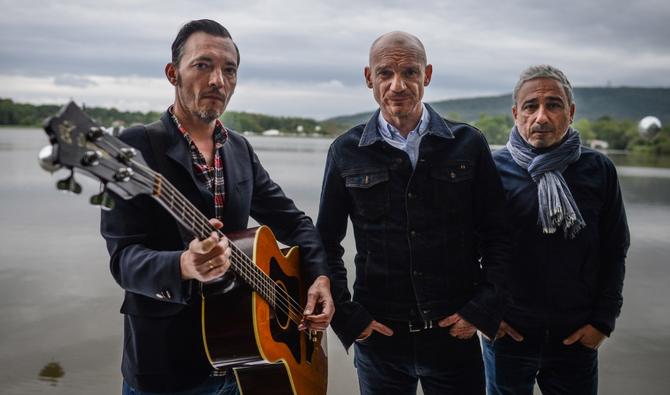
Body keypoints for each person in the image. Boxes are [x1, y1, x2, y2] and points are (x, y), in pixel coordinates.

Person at [100, 19, 334, 395]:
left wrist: (320, 276)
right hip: (167, 369)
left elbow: (294, 221)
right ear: (172, 73)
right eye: (203, 65)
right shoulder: (134, 149)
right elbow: (123, 259)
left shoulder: (238, 148)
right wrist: (183, 265)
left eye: (229, 70)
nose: (217, 81)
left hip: (247, 360)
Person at [316, 31, 511, 395]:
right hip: (379, 338)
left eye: (410, 72)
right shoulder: (345, 151)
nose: (397, 85)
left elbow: (498, 235)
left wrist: (482, 308)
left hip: (455, 333)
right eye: (385, 73)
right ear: (368, 78)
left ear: (428, 75)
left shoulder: (468, 144)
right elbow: (325, 242)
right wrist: (348, 315)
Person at [482, 64, 630, 395]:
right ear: (515, 113)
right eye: (531, 106)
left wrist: (602, 324)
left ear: (571, 112)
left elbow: (615, 248)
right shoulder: (491, 169)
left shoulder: (598, 170)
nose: (542, 117)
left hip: (576, 338)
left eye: (554, 104)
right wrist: (485, 313)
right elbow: (464, 247)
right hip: (508, 335)